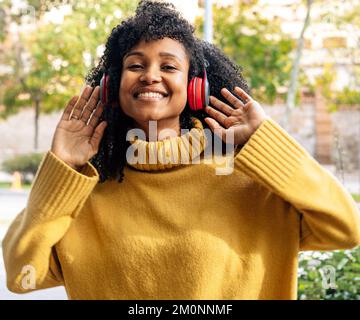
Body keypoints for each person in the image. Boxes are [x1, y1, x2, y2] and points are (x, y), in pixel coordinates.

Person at [2, 0, 360, 300]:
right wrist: (62, 165)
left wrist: (264, 142)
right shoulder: (82, 195)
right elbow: (21, 275)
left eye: (168, 66)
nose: (150, 75)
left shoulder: (249, 184)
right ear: (113, 86)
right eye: (135, 65)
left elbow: (346, 228)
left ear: (194, 87)